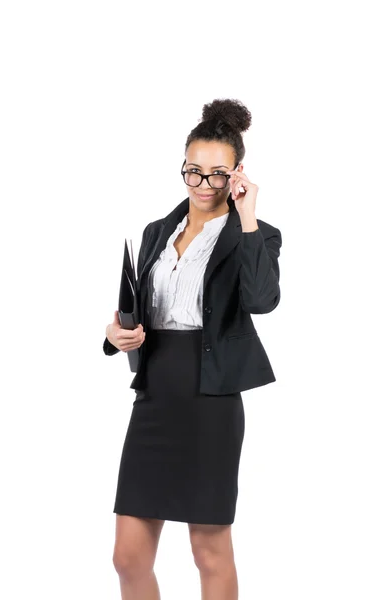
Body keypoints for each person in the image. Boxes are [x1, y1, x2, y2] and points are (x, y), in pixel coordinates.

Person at [103, 98, 282, 600]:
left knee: (208, 551)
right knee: (127, 557)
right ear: (183, 167)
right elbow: (140, 307)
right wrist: (118, 334)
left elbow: (262, 300)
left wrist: (246, 217)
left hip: (211, 403)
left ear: (237, 174)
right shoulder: (157, 232)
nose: (204, 185)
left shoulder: (257, 236)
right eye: (193, 172)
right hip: (155, 398)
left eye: (217, 175)